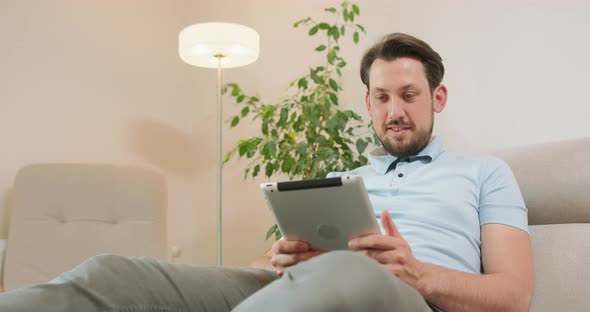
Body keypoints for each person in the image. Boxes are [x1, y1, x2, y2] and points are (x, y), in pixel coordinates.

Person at [0, 33, 533, 312]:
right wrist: (278, 257)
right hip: (312, 286)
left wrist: (417, 273)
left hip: (410, 301)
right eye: (381, 97)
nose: (395, 111)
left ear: (437, 97)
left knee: (346, 270)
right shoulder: (339, 179)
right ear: (368, 105)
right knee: (112, 273)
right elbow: (280, 266)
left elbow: (513, 296)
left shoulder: (485, 173)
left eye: (409, 96)